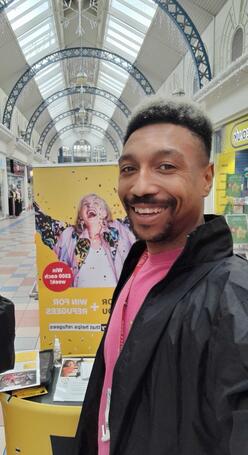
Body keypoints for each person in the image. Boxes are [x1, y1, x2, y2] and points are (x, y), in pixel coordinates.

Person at [73, 95, 248, 455]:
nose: (140, 187)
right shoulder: (136, 262)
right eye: (129, 168)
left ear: (206, 178)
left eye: (165, 167)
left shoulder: (232, 296)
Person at [35, 193, 135, 287]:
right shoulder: (69, 235)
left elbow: (138, 210)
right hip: (82, 301)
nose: (90, 206)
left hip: (115, 301)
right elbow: (43, 222)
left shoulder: (120, 229)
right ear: (81, 216)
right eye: (85, 204)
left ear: (104, 212)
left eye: (96, 203)